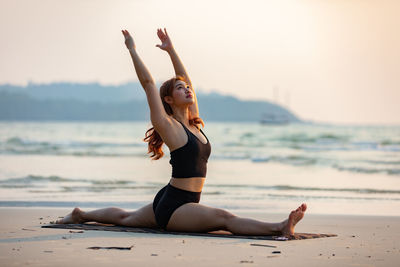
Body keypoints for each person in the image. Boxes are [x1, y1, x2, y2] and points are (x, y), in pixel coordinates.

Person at [56, 28, 307, 236]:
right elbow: (148, 84)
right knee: (224, 218)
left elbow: (187, 78)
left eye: (187, 88)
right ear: (169, 99)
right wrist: (132, 49)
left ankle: (81, 214)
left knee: (125, 217)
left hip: (173, 197)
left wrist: (171, 50)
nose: (187, 89)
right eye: (180, 88)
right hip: (176, 206)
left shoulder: (194, 124)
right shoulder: (168, 126)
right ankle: (279, 227)